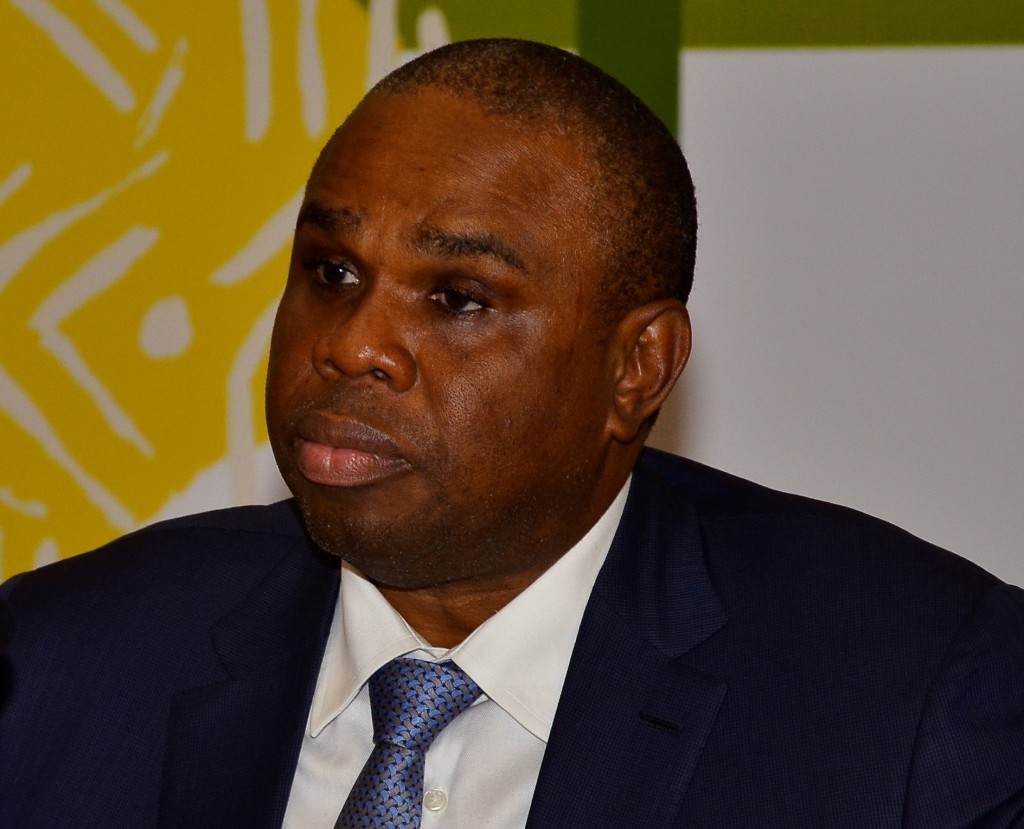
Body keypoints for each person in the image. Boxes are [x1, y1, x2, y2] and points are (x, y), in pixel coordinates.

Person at [1, 38, 1022, 829]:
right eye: (332, 272)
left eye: (457, 297)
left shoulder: (918, 699)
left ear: (637, 368)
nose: (353, 346)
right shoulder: (54, 664)